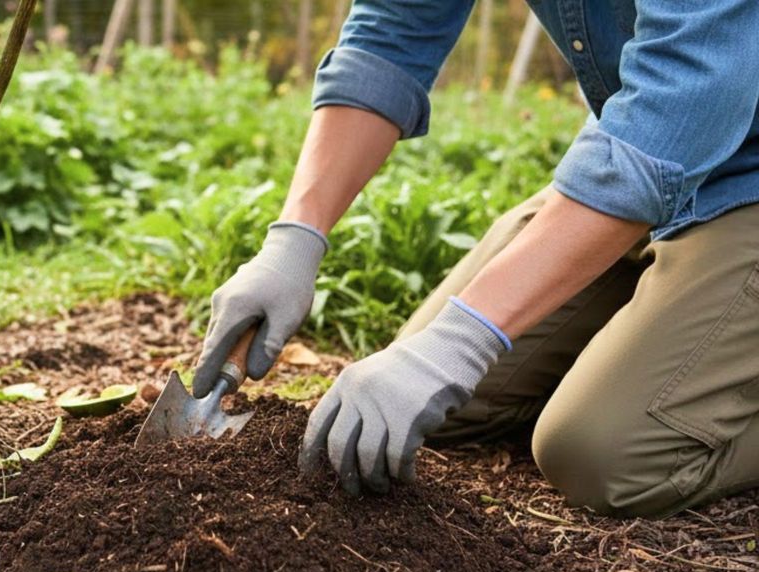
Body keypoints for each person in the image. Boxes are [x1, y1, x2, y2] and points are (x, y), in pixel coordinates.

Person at [192, 1, 759, 518]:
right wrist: (295, 239)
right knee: (453, 401)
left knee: (601, 454)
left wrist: (463, 339)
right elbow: (394, 27)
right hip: (646, 159)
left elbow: (689, 92)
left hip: (731, 170)